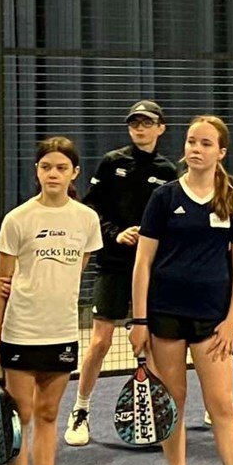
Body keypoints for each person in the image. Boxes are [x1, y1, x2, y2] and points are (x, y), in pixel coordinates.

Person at [128, 116, 233, 465]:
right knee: (173, 403)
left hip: (213, 321)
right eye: (191, 141)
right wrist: (139, 319)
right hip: (165, 317)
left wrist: (231, 320)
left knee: (223, 407)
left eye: (206, 143)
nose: (196, 148)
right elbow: (143, 262)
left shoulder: (232, 199)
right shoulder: (164, 197)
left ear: (220, 152)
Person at [0, 137, 101, 465]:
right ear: (37, 171)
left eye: (61, 168)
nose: (53, 174)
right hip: (21, 332)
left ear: (74, 174)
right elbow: (1, 284)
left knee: (51, 415)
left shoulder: (86, 219)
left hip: (63, 332)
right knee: (22, 419)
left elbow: (78, 270)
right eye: (45, 167)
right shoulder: (18, 220)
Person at [66, 100, 177, 445]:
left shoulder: (169, 171)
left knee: (154, 344)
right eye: (134, 123)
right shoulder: (112, 163)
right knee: (100, 341)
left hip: (152, 270)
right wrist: (116, 233)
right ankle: (80, 410)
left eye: (147, 123)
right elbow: (91, 209)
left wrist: (148, 240)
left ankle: (157, 413)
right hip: (113, 264)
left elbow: (170, 219)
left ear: (161, 128)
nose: (140, 128)